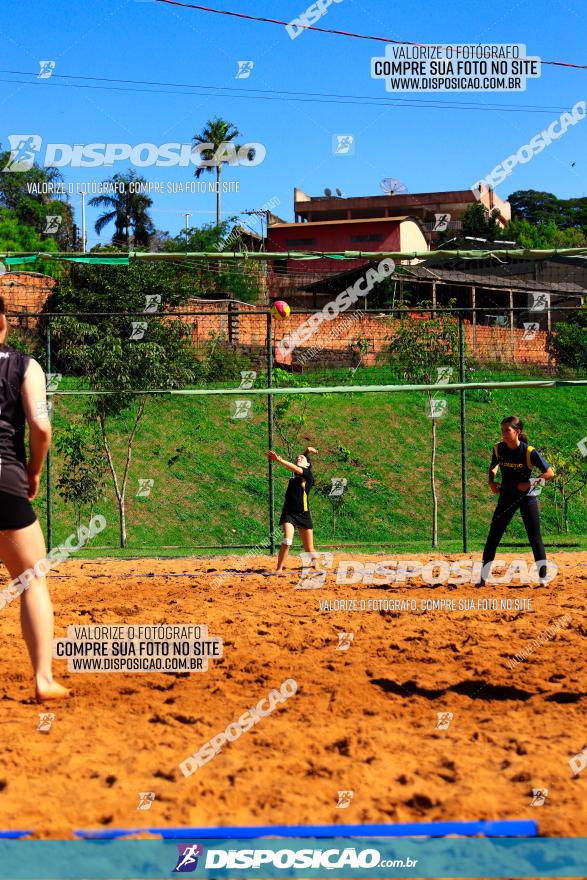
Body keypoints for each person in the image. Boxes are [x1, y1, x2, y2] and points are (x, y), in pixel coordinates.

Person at [0, 297, 70, 701]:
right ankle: (42, 679)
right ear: (5, 321)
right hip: (5, 479)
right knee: (31, 580)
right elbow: (41, 427)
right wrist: (35, 470)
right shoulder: (25, 366)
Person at [480, 416, 554, 586]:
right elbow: (493, 466)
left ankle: (543, 578)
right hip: (506, 496)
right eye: (502, 430)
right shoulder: (498, 449)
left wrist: (530, 482)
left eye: (508, 430)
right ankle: (482, 578)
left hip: (527, 497)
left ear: (517, 432)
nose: (504, 434)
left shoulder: (529, 451)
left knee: (535, 537)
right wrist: (491, 481)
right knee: (494, 535)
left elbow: (549, 473)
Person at [268, 446, 318, 571]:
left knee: (309, 548)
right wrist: (306, 451)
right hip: (289, 513)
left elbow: (297, 466)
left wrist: (278, 460)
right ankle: (279, 569)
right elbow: (298, 464)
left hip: (303, 514)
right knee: (287, 541)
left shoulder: (308, 475)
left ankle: (316, 567)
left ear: (307, 465)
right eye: (298, 457)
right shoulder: (297, 474)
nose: (298, 458)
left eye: (302, 458)